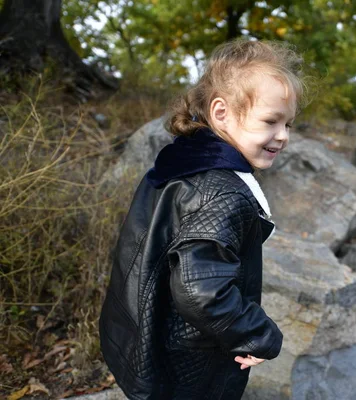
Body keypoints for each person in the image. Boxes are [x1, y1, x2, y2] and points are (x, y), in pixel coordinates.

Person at [99, 39, 306, 400]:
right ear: (221, 112)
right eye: (271, 121)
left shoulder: (182, 162)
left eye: (288, 123)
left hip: (155, 337)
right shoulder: (222, 192)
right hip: (190, 360)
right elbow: (201, 290)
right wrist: (259, 334)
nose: (283, 135)